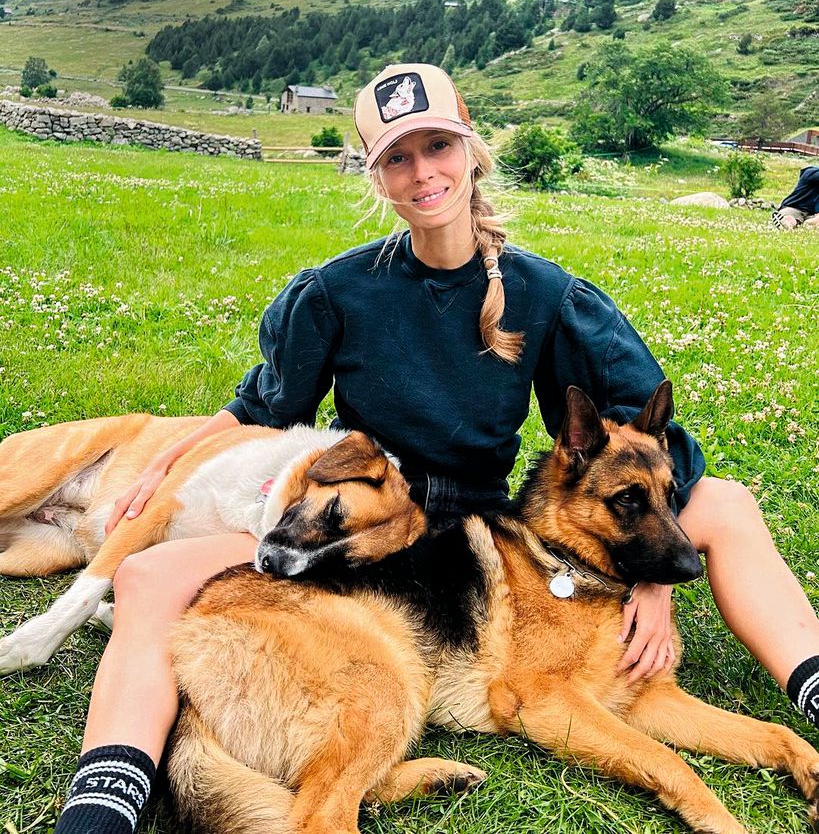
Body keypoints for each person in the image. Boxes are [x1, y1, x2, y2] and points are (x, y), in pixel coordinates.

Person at [54, 64, 819, 834]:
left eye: (437, 146)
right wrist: (162, 464)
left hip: (473, 531)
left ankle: (810, 688)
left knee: (724, 498)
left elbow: (643, 439)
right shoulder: (336, 291)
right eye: (397, 156)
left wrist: (651, 577)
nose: (422, 172)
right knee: (149, 577)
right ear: (375, 174)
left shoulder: (547, 294)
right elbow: (262, 406)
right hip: (364, 520)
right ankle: (100, 809)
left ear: (470, 150)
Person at [772, 164, 819, 229]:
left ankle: (808, 224)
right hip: (794, 208)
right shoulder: (811, 172)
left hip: (812, 214)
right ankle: (785, 224)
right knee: (790, 219)